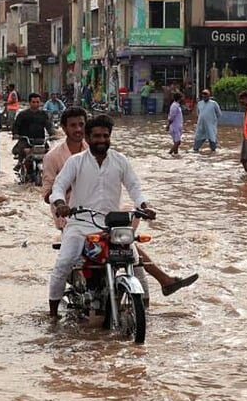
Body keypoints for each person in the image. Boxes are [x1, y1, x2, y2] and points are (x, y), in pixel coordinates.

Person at [42, 107, 198, 302]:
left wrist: (143, 205)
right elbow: (57, 186)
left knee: (134, 260)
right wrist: (59, 202)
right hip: (78, 223)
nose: (101, 140)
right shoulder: (72, 161)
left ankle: (144, 306)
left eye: (105, 136)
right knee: (64, 263)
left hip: (111, 224)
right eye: (96, 136)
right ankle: (53, 313)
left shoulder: (120, 160)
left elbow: (134, 186)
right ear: (88, 139)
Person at [11, 92, 53, 159]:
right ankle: (20, 163)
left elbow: (48, 126)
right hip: (26, 140)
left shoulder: (43, 114)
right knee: (21, 151)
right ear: (29, 103)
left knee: (49, 153)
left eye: (37, 102)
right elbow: (16, 126)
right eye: (33, 102)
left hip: (40, 140)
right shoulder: (22, 114)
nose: (36, 104)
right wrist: (15, 134)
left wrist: (52, 134)